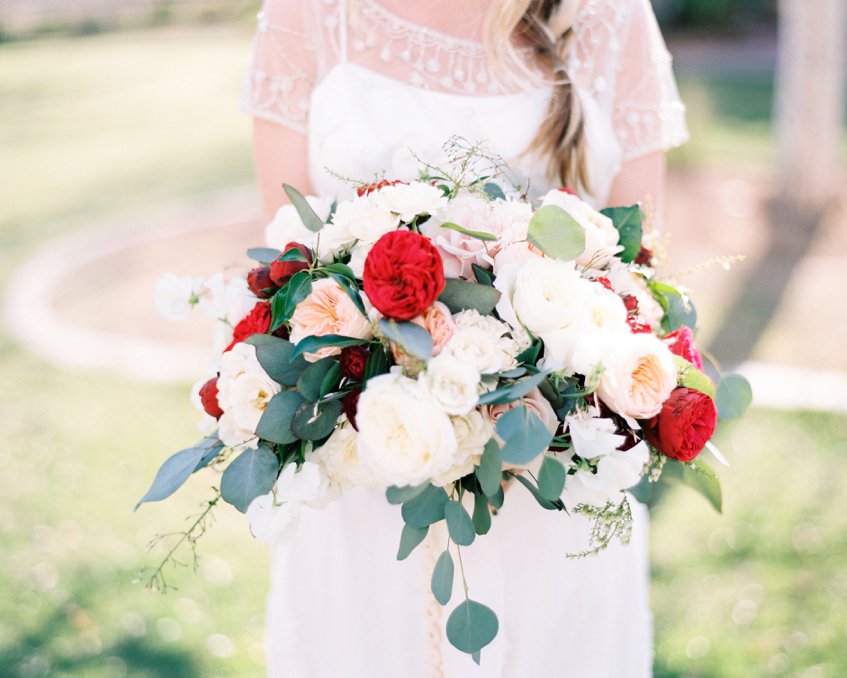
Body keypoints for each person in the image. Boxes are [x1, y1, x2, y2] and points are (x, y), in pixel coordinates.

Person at [240, 0, 687, 675]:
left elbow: (635, 267)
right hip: (368, 469)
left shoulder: (609, 15)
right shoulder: (309, 13)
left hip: (551, 476)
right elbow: (287, 257)